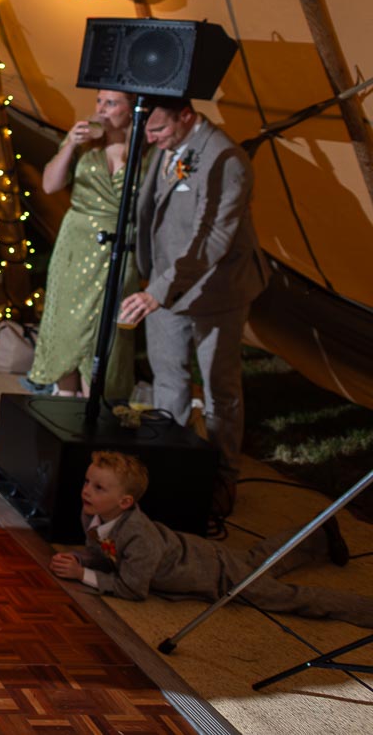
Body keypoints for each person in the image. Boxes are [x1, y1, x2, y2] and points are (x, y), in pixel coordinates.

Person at [119, 98, 267, 517]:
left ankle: (223, 478)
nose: (150, 139)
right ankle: (166, 471)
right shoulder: (163, 147)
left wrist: (158, 291)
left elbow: (212, 238)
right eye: (147, 130)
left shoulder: (227, 159)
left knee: (220, 387)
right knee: (168, 380)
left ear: (188, 116)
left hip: (216, 289)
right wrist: (155, 281)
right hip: (167, 284)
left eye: (159, 130)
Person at [50, 452, 371, 626]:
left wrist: (84, 576)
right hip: (204, 554)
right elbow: (107, 554)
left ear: (125, 503)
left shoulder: (139, 536)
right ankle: (318, 536)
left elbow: (134, 589)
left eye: (98, 488)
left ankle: (364, 609)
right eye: (88, 481)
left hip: (219, 575)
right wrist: (82, 559)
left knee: (287, 596)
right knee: (258, 559)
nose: (86, 490)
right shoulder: (92, 514)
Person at [27, 90, 144, 400]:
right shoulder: (85, 143)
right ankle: (64, 400)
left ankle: (97, 406)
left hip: (118, 248)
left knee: (107, 334)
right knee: (66, 324)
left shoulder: (146, 152)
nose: (102, 109)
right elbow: (50, 185)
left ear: (131, 109)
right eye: (99, 101)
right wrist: (69, 145)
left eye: (111, 103)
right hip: (75, 245)